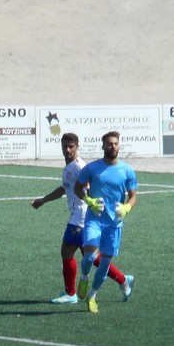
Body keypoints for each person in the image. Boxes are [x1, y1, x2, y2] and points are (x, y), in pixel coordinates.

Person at [31, 132, 133, 305]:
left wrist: (93, 204)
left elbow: (89, 188)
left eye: (71, 147)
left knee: (68, 251)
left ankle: (70, 293)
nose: (68, 150)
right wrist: (44, 200)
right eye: (65, 146)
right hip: (78, 215)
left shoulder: (79, 167)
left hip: (82, 216)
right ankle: (123, 280)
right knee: (91, 256)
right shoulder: (70, 167)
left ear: (77, 147)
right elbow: (65, 189)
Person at [73, 130, 138, 314]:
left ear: (119, 146)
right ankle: (84, 277)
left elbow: (133, 196)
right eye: (109, 144)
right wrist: (89, 201)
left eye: (115, 144)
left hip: (114, 224)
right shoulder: (92, 168)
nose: (113, 147)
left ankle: (92, 296)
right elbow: (77, 188)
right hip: (94, 219)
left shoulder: (127, 170)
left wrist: (127, 208)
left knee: (105, 265)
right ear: (103, 146)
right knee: (90, 257)